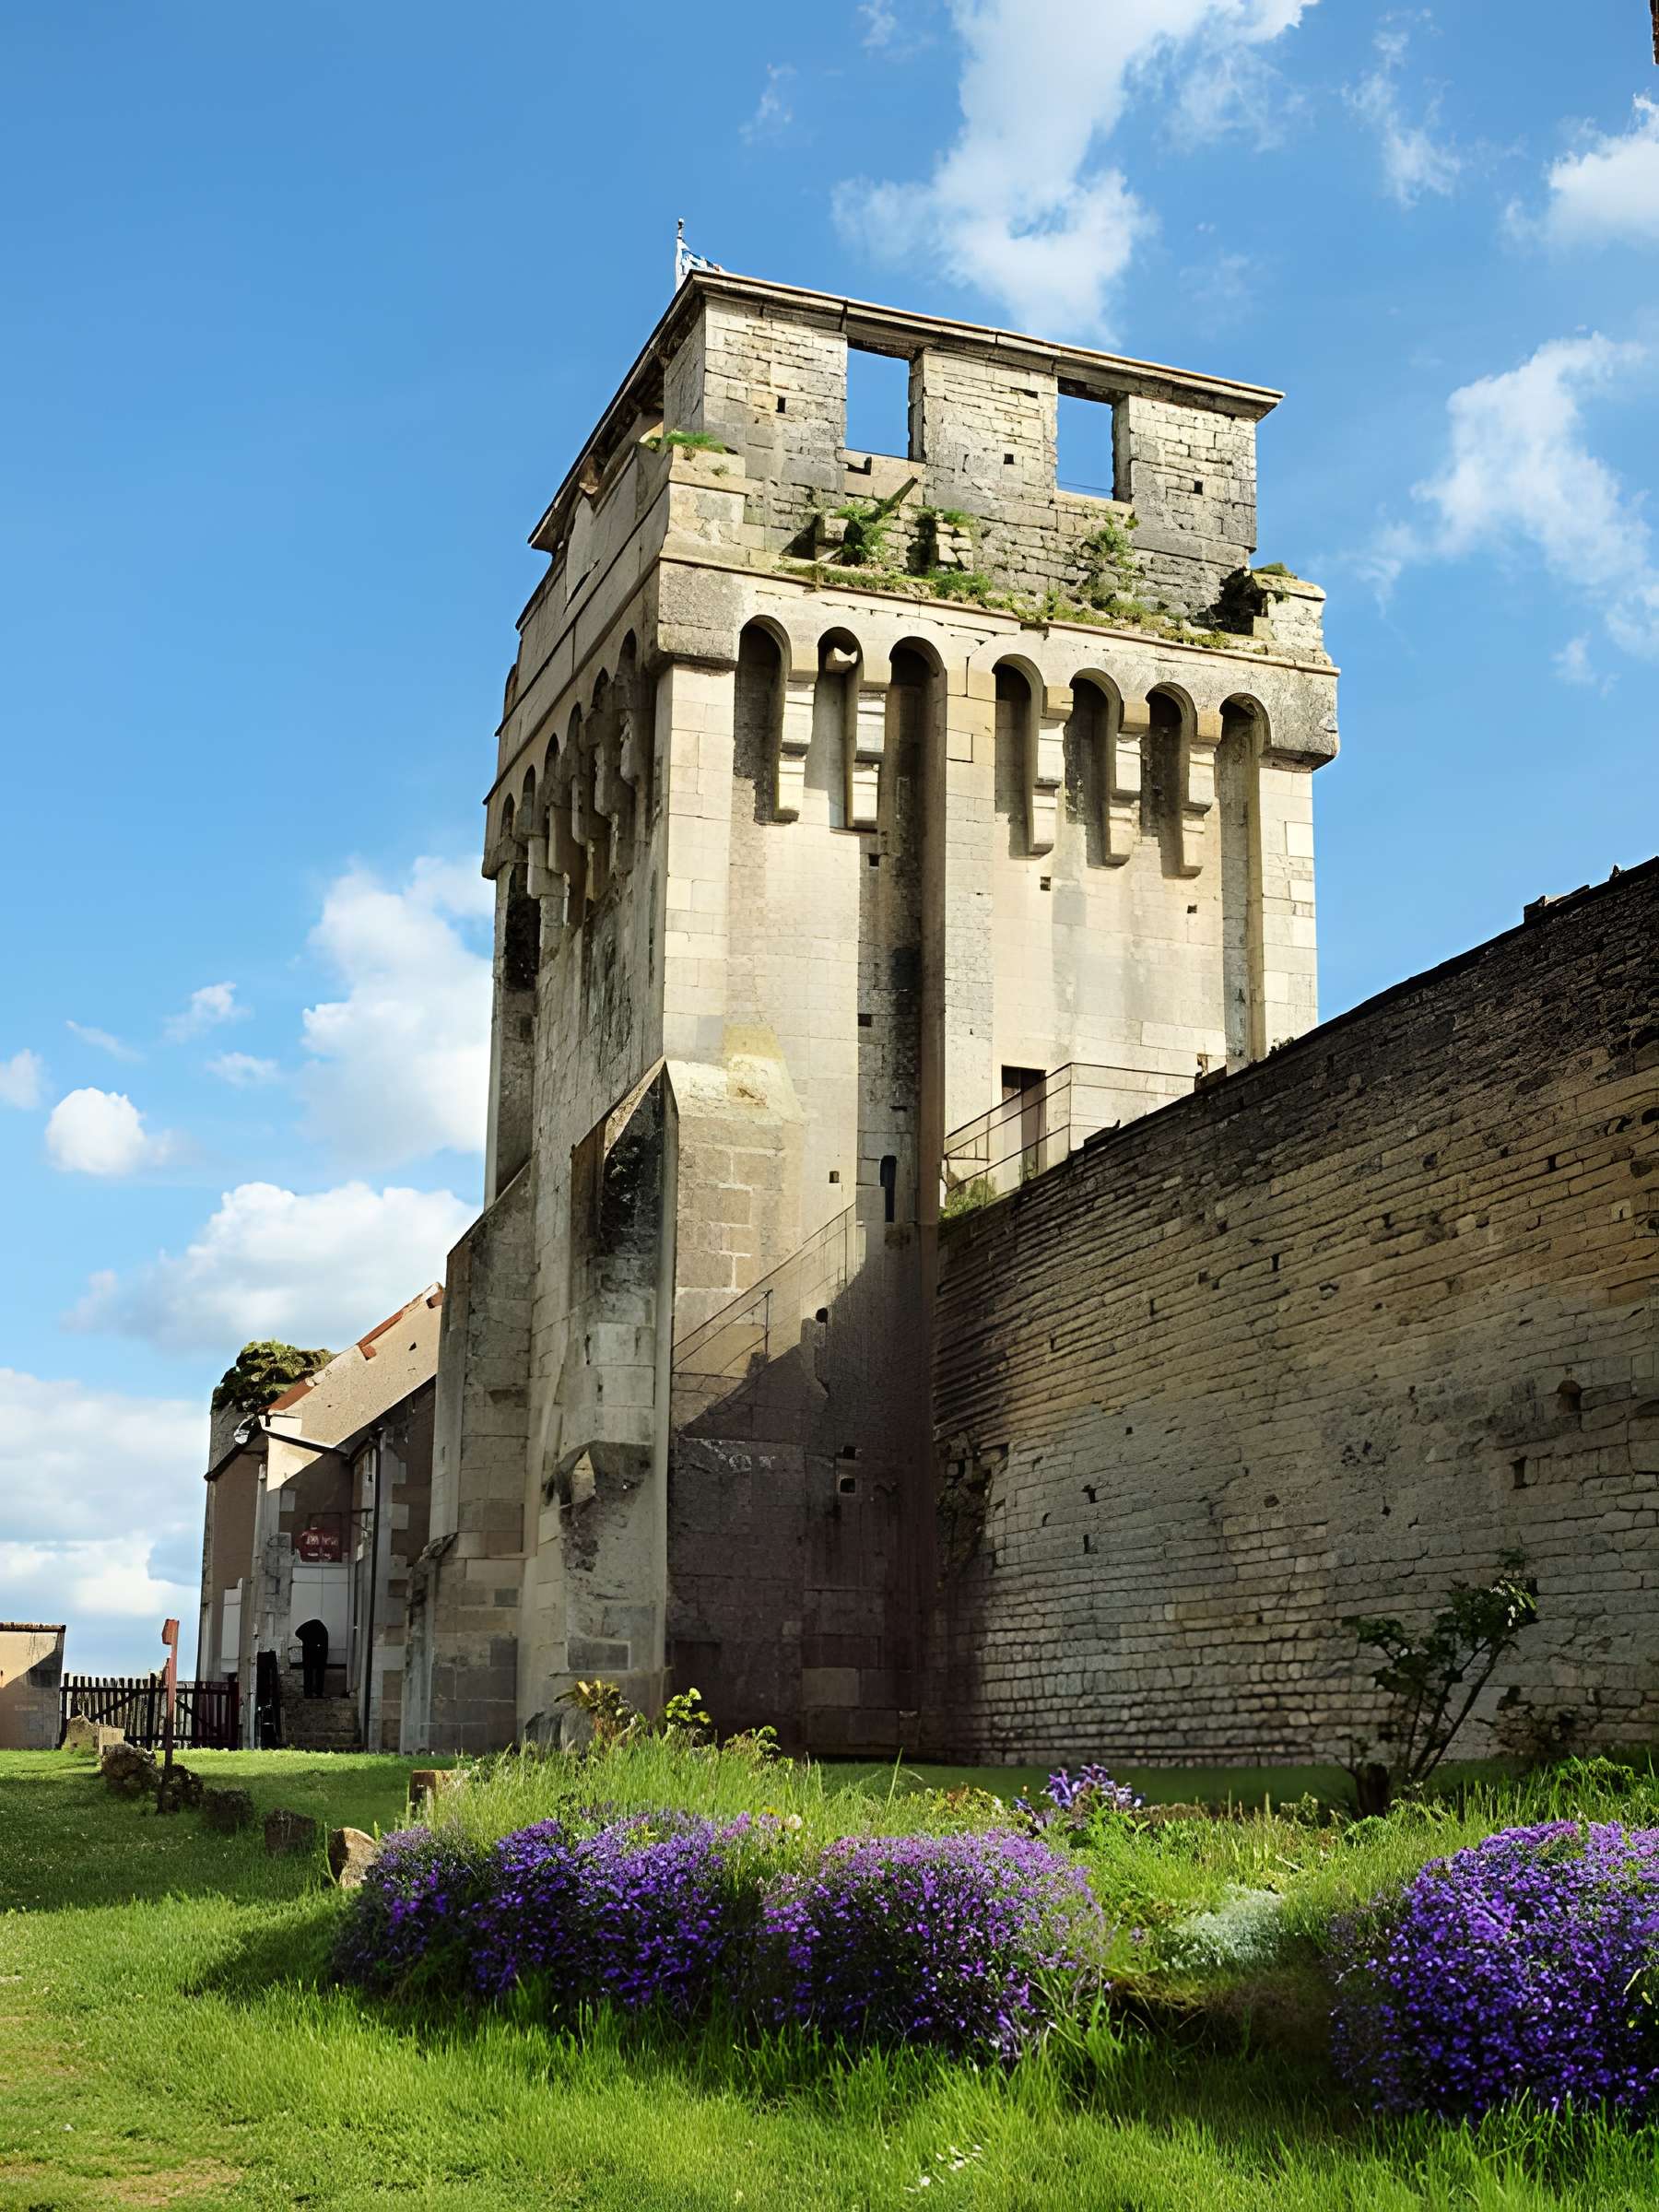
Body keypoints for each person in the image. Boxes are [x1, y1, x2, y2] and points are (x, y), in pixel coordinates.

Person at [294, 1617, 329, 1699]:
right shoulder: (322, 1631)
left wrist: (307, 1643)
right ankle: (318, 1693)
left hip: (309, 1653)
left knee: (308, 1673)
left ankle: (308, 1693)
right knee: (319, 1673)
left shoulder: (309, 1629)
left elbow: (297, 1633)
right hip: (319, 1653)